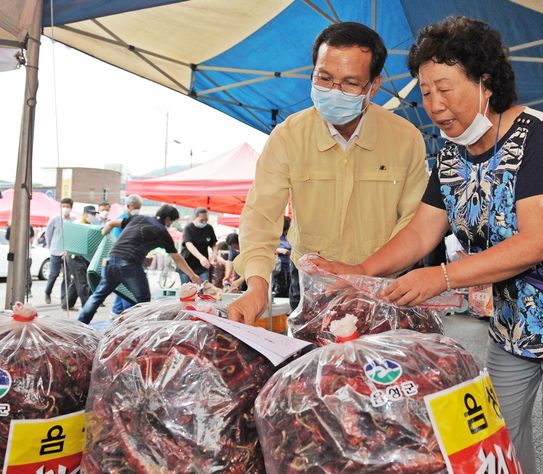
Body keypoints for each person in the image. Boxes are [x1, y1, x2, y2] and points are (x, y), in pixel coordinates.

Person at [315, 17, 543, 474]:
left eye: (445, 88)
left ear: (485, 82)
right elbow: (422, 232)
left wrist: (440, 276)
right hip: (510, 324)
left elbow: (538, 242)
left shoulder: (537, 137)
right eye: (425, 92)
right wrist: (359, 271)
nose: (434, 105)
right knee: (493, 433)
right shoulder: (449, 154)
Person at [229, 21, 428, 323]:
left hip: (382, 284)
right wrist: (257, 283)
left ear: (373, 86)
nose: (334, 92)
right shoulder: (288, 136)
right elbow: (261, 215)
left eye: (349, 83)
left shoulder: (406, 139)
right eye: (324, 78)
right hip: (310, 285)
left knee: (380, 368)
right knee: (312, 367)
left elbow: (414, 222)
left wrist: (368, 271)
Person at [78, 205, 200, 324]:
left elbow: (111, 224)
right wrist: (193, 275)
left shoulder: (138, 218)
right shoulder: (161, 231)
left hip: (110, 261)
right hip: (129, 265)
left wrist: (105, 232)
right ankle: (137, 330)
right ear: (168, 219)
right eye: (171, 221)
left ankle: (81, 323)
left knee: (97, 296)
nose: (170, 224)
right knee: (143, 300)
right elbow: (177, 258)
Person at [111, 194, 143, 316]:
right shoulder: (121, 220)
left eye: (139, 207)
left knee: (123, 290)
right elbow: (117, 241)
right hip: (123, 261)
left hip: (132, 260)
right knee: (128, 291)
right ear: (128, 206)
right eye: (136, 207)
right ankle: (127, 317)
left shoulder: (137, 220)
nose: (138, 210)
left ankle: (116, 313)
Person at [43, 197, 76, 306]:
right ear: (60, 207)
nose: (65, 208)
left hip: (67, 252)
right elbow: (48, 235)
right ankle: (48, 291)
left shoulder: (74, 220)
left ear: (71, 208)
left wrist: (69, 250)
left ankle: (64, 300)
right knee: (53, 274)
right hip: (55, 251)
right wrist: (51, 249)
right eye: (63, 206)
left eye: (67, 206)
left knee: (67, 276)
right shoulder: (55, 219)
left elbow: (73, 237)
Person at [64, 205, 97, 309]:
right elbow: (68, 240)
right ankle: (86, 306)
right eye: (92, 214)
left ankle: (67, 304)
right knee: (82, 282)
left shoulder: (91, 225)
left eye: (95, 214)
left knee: (76, 281)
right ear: (85, 214)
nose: (93, 216)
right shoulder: (77, 225)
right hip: (75, 256)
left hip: (84, 257)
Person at [178, 207, 218, 284]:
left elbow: (214, 244)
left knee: (204, 288)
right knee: (188, 290)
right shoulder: (188, 228)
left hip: (202, 266)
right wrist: (201, 258)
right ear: (195, 218)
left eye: (206, 220)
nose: (204, 222)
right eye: (201, 220)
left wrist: (215, 254)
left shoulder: (209, 228)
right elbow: (189, 244)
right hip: (187, 264)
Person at [272, 216, 292, 298]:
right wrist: (280, 250)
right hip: (278, 268)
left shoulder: (287, 236)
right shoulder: (275, 236)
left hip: (288, 267)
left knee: (287, 289)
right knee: (279, 289)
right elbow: (268, 248)